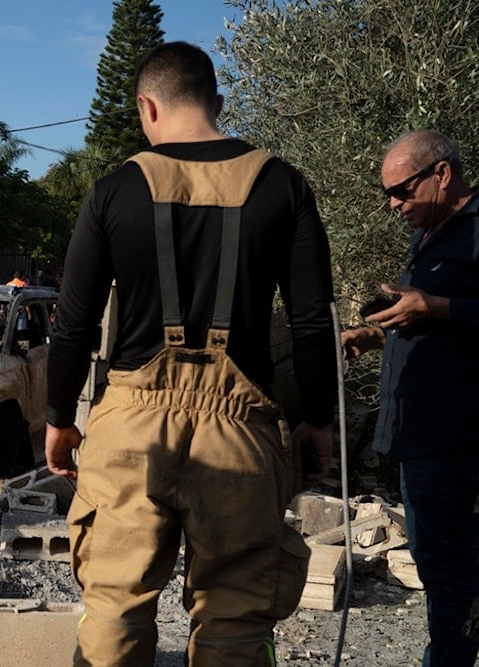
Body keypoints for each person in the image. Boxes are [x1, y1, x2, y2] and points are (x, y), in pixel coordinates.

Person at [45, 42, 337, 665]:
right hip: (241, 433)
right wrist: (318, 419)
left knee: (115, 612)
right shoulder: (282, 184)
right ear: (219, 103)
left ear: (146, 106)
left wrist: (58, 418)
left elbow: (72, 322)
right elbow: (313, 322)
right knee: (235, 620)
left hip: (129, 431)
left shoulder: (114, 189)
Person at [341, 129, 479, 666]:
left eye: (401, 191)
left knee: (452, 572)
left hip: (460, 443)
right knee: (436, 565)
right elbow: (423, 319)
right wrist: (374, 334)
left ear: (441, 174)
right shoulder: (428, 234)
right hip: (419, 438)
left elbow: (442, 312)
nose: (394, 205)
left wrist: (440, 308)